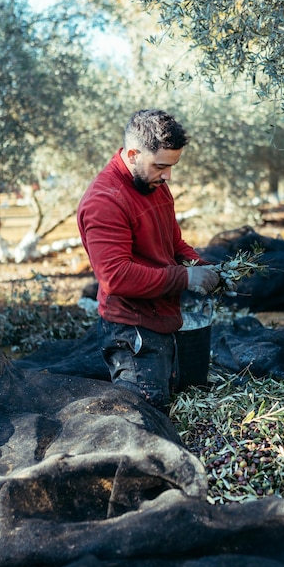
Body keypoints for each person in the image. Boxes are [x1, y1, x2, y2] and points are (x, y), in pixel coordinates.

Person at [77, 109, 219, 413]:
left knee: (175, 403)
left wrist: (200, 267)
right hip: (131, 331)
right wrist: (184, 279)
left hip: (162, 319)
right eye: (160, 166)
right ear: (132, 154)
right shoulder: (105, 201)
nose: (168, 175)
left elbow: (174, 244)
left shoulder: (155, 186)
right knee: (145, 415)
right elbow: (116, 277)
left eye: (172, 166)